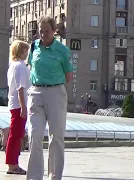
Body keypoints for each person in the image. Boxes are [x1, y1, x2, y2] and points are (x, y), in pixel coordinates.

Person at [26, 15, 72, 180]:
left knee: (56, 137)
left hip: (55, 93)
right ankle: (34, 177)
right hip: (36, 93)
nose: (43, 34)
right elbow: (32, 67)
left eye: (47, 31)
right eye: (41, 31)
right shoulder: (34, 47)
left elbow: (68, 76)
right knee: (35, 134)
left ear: (54, 31)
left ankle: (55, 176)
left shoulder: (62, 50)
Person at [6, 40, 31, 175]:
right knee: (15, 135)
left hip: (14, 104)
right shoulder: (20, 66)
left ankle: (13, 163)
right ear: (21, 51)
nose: (27, 53)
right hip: (19, 105)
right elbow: (21, 88)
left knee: (16, 135)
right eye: (26, 50)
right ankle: (12, 165)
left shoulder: (13, 65)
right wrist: (23, 107)